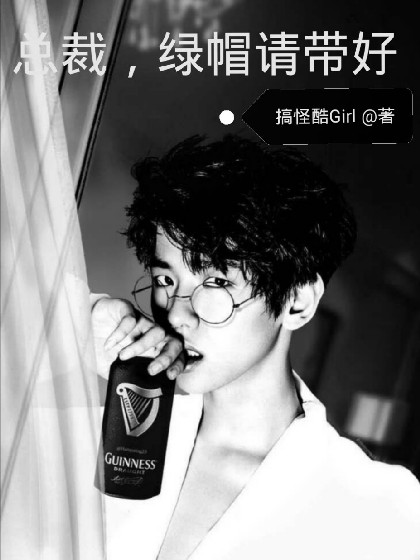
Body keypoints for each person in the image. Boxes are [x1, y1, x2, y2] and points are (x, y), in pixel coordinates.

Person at [91, 135, 420, 560]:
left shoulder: (377, 505)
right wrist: (76, 323)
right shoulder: (104, 431)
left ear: (297, 302)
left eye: (216, 282)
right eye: (166, 280)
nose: (176, 313)